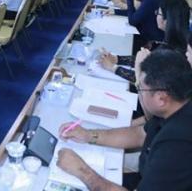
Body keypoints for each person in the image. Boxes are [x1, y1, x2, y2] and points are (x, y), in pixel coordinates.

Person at [57, 49, 192, 191]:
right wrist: (89, 135)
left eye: (141, 88)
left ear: (161, 98)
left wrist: (82, 171)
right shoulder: (176, 105)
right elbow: (140, 134)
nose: (140, 93)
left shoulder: (177, 145)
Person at [100, 0, 190, 82]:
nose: (156, 15)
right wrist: (116, 59)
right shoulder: (176, 39)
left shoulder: (174, 53)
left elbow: (148, 81)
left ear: (167, 21)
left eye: (158, 13)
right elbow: (148, 60)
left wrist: (112, 67)